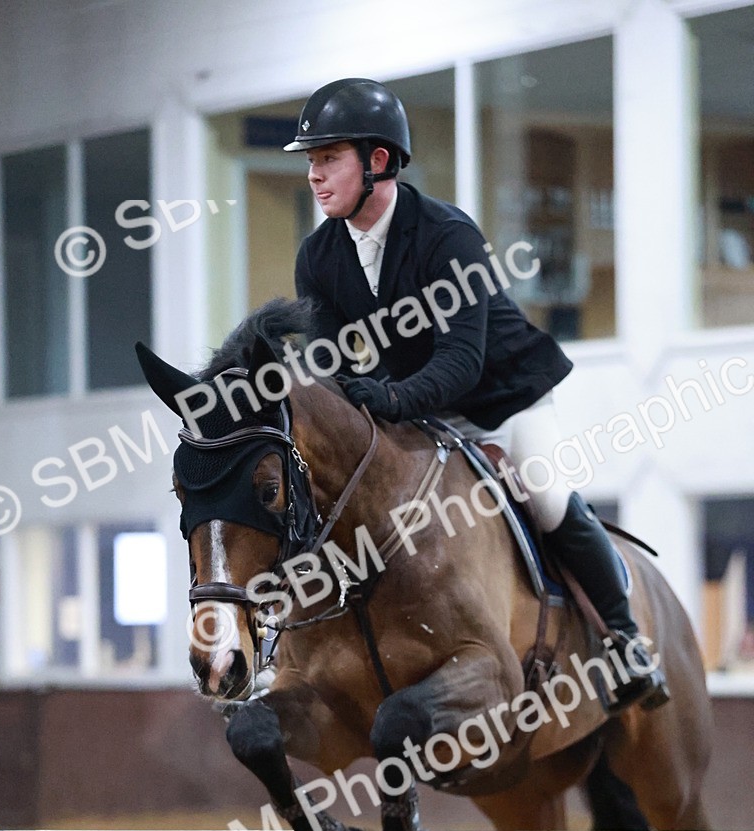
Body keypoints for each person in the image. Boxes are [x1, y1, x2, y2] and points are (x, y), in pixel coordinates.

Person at [283, 77, 669, 713]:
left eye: (328, 159)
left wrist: (387, 398)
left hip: (502, 396)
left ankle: (626, 641)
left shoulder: (446, 236)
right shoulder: (318, 256)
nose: (315, 177)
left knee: (544, 497)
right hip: (417, 407)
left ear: (377, 162)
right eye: (311, 163)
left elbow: (461, 361)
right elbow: (325, 367)